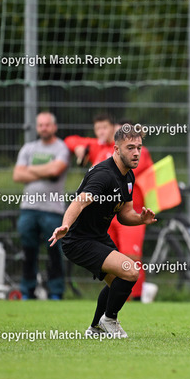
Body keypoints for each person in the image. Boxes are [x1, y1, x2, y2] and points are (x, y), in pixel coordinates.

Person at [49, 127, 156, 338]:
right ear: (116, 149)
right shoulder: (104, 175)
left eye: (139, 148)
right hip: (78, 240)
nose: (136, 153)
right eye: (130, 148)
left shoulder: (128, 176)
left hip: (97, 237)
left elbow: (124, 214)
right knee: (130, 271)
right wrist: (65, 225)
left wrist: (140, 219)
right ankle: (109, 320)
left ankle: (95, 328)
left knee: (119, 280)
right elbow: (79, 202)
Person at [65, 115, 154, 301]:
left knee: (130, 256)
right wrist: (80, 148)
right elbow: (70, 140)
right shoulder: (100, 148)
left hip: (130, 209)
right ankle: (117, 302)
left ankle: (137, 297)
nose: (102, 132)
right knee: (112, 261)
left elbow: (125, 171)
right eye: (98, 129)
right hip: (106, 215)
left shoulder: (136, 153)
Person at [13, 111, 70, 300]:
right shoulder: (28, 148)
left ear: (54, 127)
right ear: (37, 127)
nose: (43, 128)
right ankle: (27, 290)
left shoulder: (61, 148)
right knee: (28, 251)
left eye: (47, 125)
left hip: (52, 210)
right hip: (28, 209)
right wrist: (45, 170)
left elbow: (56, 169)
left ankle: (56, 291)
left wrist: (29, 169)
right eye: (40, 125)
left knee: (54, 252)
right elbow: (17, 175)